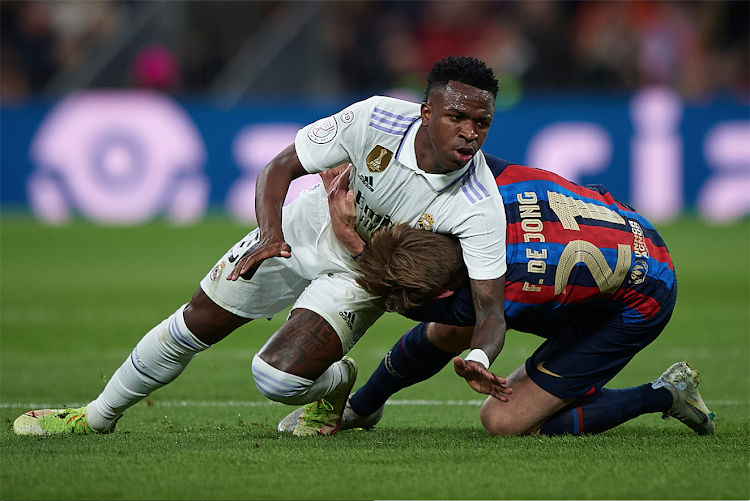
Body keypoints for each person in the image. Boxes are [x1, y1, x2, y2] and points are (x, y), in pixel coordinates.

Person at [14, 56, 512, 437]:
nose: (470, 133)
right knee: (195, 322)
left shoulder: (478, 203)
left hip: (362, 275)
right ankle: (95, 418)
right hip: (299, 231)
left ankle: (336, 383)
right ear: (427, 112)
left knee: (275, 380)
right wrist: (271, 234)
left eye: (482, 123)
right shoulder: (377, 118)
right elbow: (278, 168)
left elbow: (490, 309)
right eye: (457, 117)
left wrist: (482, 360)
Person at [280, 154, 715, 437]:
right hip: (625, 227)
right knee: (453, 330)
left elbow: (421, 306)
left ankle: (667, 393)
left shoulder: (504, 287)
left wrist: (352, 243)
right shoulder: (484, 186)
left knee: (504, 421)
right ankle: (361, 410)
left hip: (641, 299)